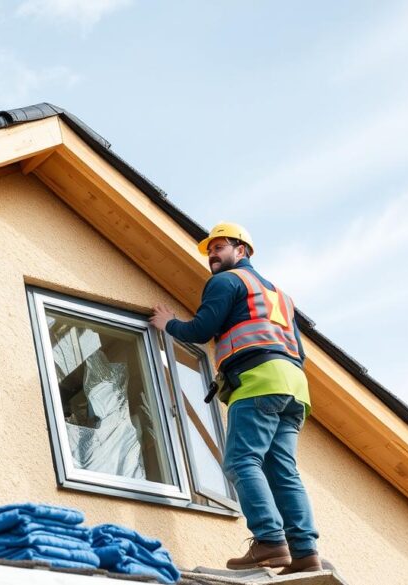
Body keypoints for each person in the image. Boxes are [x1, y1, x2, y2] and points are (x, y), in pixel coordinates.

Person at [149, 222, 321, 574]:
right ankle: (304, 551)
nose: (213, 254)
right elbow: (300, 352)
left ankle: (270, 540)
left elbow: (200, 330)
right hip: (293, 387)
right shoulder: (280, 297)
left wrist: (168, 323)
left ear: (242, 251)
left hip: (258, 382)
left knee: (240, 461)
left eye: (220, 247)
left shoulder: (226, 281)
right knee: (282, 469)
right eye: (210, 249)